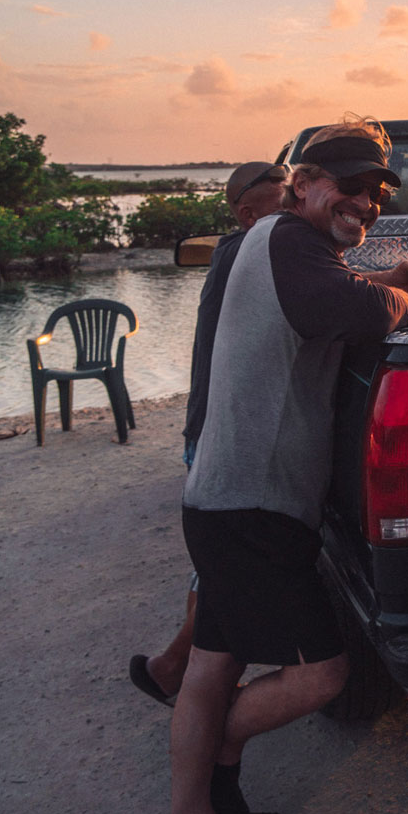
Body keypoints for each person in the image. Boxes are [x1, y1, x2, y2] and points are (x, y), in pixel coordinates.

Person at [161, 116, 408, 814]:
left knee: (214, 662)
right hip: (257, 508)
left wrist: (384, 281)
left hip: (219, 495)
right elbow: (356, 309)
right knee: (323, 672)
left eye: (378, 193)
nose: (367, 204)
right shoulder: (292, 243)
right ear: (302, 183)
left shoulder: (269, 242)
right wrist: (405, 300)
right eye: (350, 186)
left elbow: (332, 290)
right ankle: (223, 747)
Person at [129, 161, 288, 708]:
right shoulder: (244, 253)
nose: (293, 212)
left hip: (222, 424)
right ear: (247, 215)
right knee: (224, 565)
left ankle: (174, 668)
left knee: (221, 563)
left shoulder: (253, 248)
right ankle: (181, 670)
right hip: (219, 430)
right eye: (282, 203)